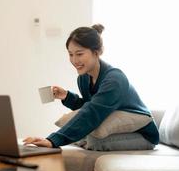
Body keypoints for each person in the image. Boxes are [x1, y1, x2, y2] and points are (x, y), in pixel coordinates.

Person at [24, 24, 159, 151]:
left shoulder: (114, 79)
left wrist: (53, 140)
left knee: (94, 141)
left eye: (79, 54)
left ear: (97, 52)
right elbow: (90, 105)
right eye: (71, 54)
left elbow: (93, 112)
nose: (74, 60)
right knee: (84, 132)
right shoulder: (83, 78)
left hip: (142, 135)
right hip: (115, 127)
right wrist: (67, 96)